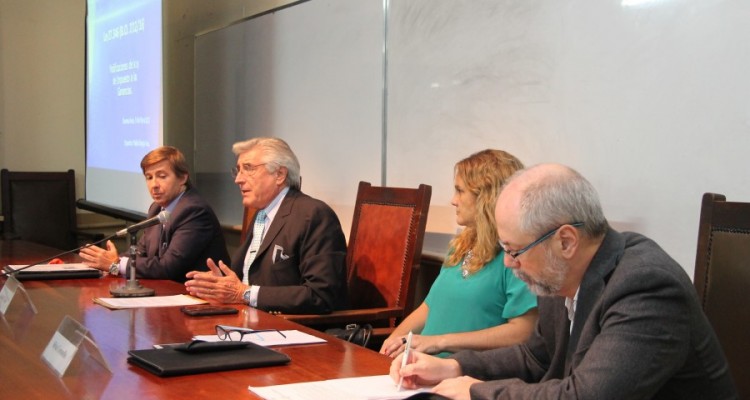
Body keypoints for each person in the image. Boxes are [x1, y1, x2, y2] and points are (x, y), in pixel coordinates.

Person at [391, 163, 737, 399]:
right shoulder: (558, 274)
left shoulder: (647, 286)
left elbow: (586, 396)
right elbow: (537, 358)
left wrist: (474, 391)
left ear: (566, 241)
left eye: (515, 250)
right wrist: (454, 366)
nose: (510, 263)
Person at [380, 150, 537, 359]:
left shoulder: (517, 255)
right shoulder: (462, 245)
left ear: (486, 196)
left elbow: (523, 332)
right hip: (420, 366)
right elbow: (429, 307)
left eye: (460, 191)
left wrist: (439, 342)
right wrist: (393, 341)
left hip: (464, 374)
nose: (453, 200)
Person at [184, 137, 347, 314]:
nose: (238, 179)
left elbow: (320, 295)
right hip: (248, 319)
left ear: (279, 175)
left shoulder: (314, 215)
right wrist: (218, 284)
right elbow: (250, 278)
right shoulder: (261, 214)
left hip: (293, 330)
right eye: (238, 170)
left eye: (248, 169)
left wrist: (244, 294)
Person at [79, 146, 230, 283]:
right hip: (170, 293)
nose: (154, 185)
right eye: (149, 177)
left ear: (183, 178)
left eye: (162, 176)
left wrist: (116, 264)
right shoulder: (157, 209)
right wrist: (106, 262)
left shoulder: (194, 211)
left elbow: (169, 267)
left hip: (202, 299)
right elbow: (141, 251)